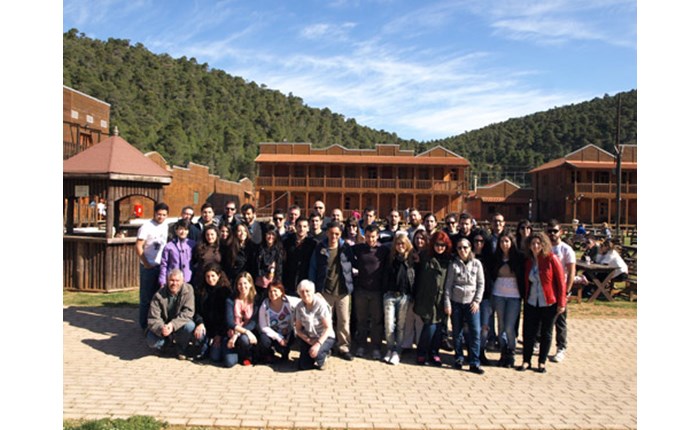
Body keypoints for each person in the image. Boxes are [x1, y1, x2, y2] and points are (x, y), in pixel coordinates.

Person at [517, 232, 567, 374]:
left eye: (538, 243)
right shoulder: (529, 262)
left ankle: (541, 362)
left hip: (548, 302)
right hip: (532, 301)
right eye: (533, 244)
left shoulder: (552, 259)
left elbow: (561, 282)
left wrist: (561, 303)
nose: (535, 246)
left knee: (546, 333)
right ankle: (526, 360)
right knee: (529, 332)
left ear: (544, 245)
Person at [309, 221, 355, 361]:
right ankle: (326, 346)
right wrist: (313, 288)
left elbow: (353, 263)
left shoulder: (346, 247)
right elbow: (313, 267)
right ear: (327, 232)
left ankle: (343, 346)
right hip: (325, 290)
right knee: (325, 321)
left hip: (342, 290)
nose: (333, 236)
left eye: (337, 234)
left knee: (344, 321)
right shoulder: (320, 247)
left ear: (340, 234)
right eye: (331, 233)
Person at [444, 237, 486, 374]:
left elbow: (481, 284)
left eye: (465, 247)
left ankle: (474, 361)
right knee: (457, 332)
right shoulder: (453, 264)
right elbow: (448, 286)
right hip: (456, 302)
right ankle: (459, 358)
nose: (463, 250)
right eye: (460, 248)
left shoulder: (477, 264)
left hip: (472, 303)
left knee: (475, 333)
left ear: (470, 248)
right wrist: (447, 303)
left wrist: (477, 301)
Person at [413, 230, 452, 366]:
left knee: (439, 328)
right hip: (427, 298)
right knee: (429, 327)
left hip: (442, 299)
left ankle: (434, 353)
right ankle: (422, 353)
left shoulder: (449, 260)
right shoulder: (424, 256)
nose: (440, 247)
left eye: (443, 245)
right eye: (437, 244)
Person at [352, 224, 389, 360]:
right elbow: (346, 253)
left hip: (377, 292)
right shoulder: (359, 248)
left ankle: (376, 347)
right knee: (361, 320)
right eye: (367, 236)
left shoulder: (383, 250)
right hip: (361, 290)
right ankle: (361, 346)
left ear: (377, 236)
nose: (370, 239)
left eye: (373, 237)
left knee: (376, 321)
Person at [490, 231, 525, 368]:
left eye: (507, 241)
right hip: (499, 293)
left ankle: (511, 351)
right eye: (502, 241)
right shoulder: (496, 257)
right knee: (501, 326)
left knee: (510, 327)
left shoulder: (518, 258)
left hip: (514, 295)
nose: (504, 244)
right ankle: (503, 352)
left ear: (511, 243)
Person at [145, 269, 196, 360]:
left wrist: (172, 325)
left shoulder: (189, 290)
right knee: (151, 340)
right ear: (167, 281)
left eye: (177, 281)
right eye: (172, 280)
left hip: (179, 324)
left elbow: (188, 312)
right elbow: (153, 317)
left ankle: (181, 347)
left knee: (190, 325)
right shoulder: (158, 295)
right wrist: (161, 328)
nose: (174, 283)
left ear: (182, 281)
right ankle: (166, 344)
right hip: (163, 325)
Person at [381, 233, 415, 365]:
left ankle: (397, 351)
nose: (400, 246)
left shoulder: (411, 260)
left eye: (402, 244)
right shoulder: (390, 259)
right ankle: (389, 349)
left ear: (406, 245)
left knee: (401, 326)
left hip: (404, 296)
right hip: (390, 295)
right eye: (398, 244)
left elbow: (412, 279)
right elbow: (385, 276)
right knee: (389, 325)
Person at [136, 202, 170, 330]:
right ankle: (144, 325)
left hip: (161, 266)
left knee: (159, 297)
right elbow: (138, 246)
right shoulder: (146, 227)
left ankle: (155, 324)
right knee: (146, 298)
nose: (161, 217)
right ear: (154, 213)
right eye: (159, 214)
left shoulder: (166, 226)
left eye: (164, 215)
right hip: (149, 267)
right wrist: (146, 263)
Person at [546, 219, 576, 364]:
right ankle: (540, 342)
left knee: (560, 320)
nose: (552, 234)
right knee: (544, 319)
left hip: (560, 289)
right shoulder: (545, 248)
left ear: (561, 232)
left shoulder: (566, 250)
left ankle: (561, 347)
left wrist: (566, 291)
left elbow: (571, 272)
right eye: (550, 231)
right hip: (546, 289)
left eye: (555, 231)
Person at [192, 263, 233, 364]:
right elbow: (197, 311)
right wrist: (200, 322)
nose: (210, 279)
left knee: (216, 358)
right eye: (208, 276)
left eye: (213, 276)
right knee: (199, 334)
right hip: (206, 328)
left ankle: (213, 346)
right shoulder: (201, 291)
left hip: (221, 331)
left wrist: (219, 335)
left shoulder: (225, 292)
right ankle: (204, 346)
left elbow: (226, 317)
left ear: (219, 276)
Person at [294, 280, 336, 370]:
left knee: (318, 358)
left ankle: (324, 354)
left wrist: (318, 344)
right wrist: (309, 340)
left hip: (325, 336)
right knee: (303, 366)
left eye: (307, 291)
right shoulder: (299, 307)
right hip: (310, 336)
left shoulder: (321, 305)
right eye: (302, 292)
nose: (305, 294)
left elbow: (328, 328)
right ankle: (311, 356)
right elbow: (298, 329)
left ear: (313, 292)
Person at [257, 280, 301, 363]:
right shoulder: (264, 306)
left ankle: (285, 351)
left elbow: (303, 301)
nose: (273, 294)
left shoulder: (289, 301)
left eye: (275, 291)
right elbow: (263, 326)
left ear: (281, 292)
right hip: (273, 335)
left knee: (285, 349)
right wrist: (278, 337)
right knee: (264, 340)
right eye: (270, 291)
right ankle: (269, 354)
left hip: (288, 334)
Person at [400, 229, 429, 353]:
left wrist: (421, 260)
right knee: (408, 319)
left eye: (422, 238)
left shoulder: (428, 254)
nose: (419, 241)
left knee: (420, 320)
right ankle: (407, 344)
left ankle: (420, 344)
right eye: (417, 238)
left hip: (423, 290)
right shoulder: (410, 252)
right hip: (410, 289)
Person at [470, 228, 494, 365]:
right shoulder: (467, 256)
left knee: (484, 327)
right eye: (476, 241)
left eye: (481, 241)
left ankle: (481, 351)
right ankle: (472, 351)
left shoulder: (490, 257)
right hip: (470, 297)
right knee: (470, 327)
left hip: (485, 297)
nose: (478, 243)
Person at [223, 272, 258, 367]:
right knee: (229, 363)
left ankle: (246, 355)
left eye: (245, 283)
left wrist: (238, 334)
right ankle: (236, 353)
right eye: (240, 284)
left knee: (244, 340)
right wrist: (243, 332)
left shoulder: (256, 300)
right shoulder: (230, 300)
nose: (242, 286)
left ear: (250, 284)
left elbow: (253, 322)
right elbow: (230, 322)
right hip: (232, 334)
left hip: (245, 336)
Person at [282, 216, 316, 297]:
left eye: (304, 226)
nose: (301, 229)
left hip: (306, 279)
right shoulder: (287, 242)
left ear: (308, 228)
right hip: (289, 280)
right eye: (299, 226)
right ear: (295, 227)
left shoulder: (313, 244)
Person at [159, 219, 196, 287]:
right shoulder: (169, 246)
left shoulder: (192, 244)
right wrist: (162, 280)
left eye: (185, 229)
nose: (183, 232)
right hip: (174, 280)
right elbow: (164, 264)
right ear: (176, 230)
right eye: (181, 229)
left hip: (189, 280)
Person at [254, 224, 284, 304]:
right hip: (259, 285)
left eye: (273, 234)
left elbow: (280, 269)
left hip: (272, 285)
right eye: (268, 234)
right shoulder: (258, 249)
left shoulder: (279, 250)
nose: (270, 237)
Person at [191, 224, 222, 289]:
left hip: (217, 279)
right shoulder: (200, 248)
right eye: (207, 235)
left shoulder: (221, 247)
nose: (210, 237)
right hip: (202, 279)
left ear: (216, 234)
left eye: (212, 234)